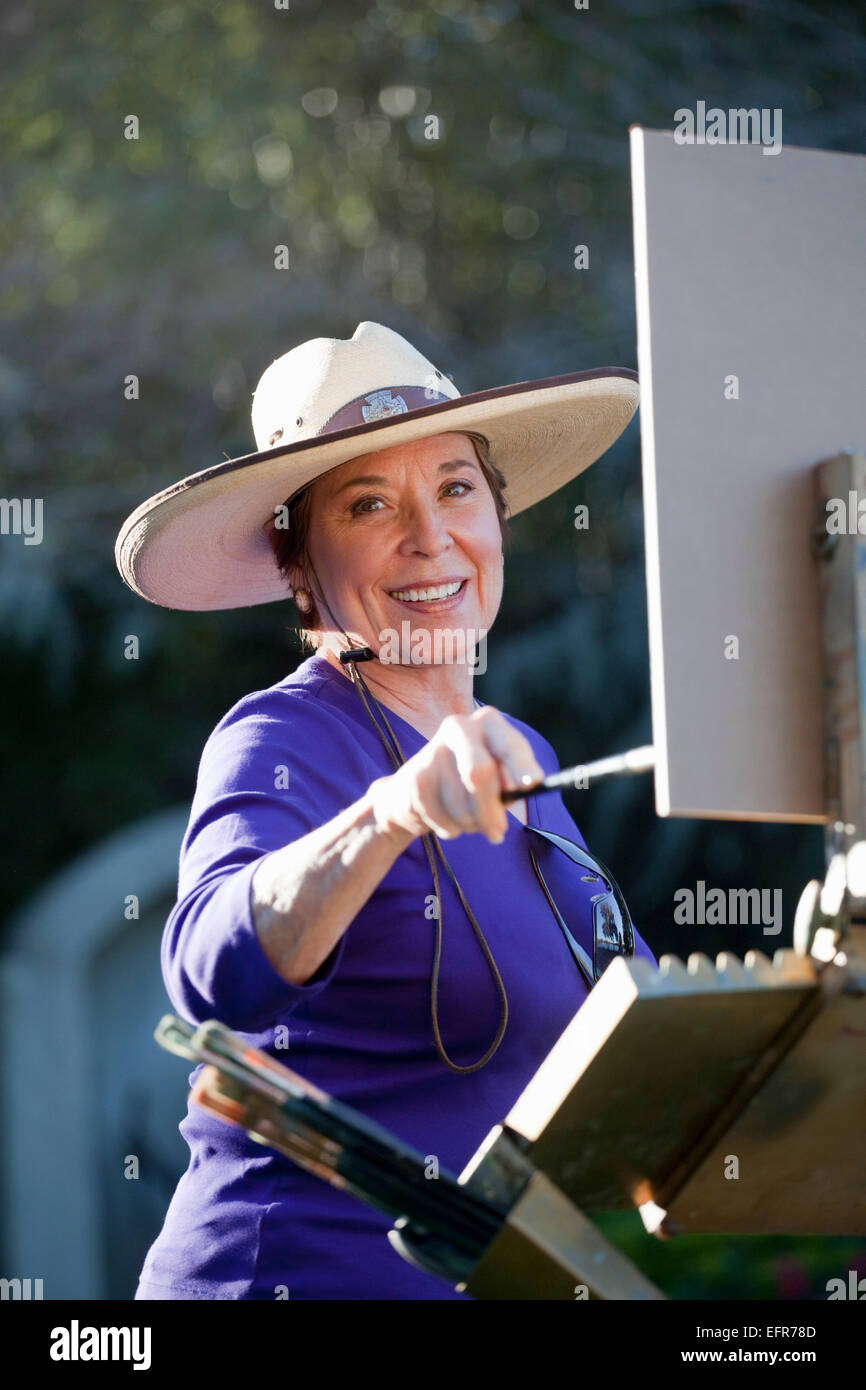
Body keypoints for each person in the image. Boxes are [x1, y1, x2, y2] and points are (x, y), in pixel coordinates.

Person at [115, 320, 657, 1300]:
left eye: (455, 487)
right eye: (370, 503)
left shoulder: (516, 752)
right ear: (296, 560)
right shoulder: (279, 740)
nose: (430, 535)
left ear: (495, 512)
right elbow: (212, 970)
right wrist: (391, 811)